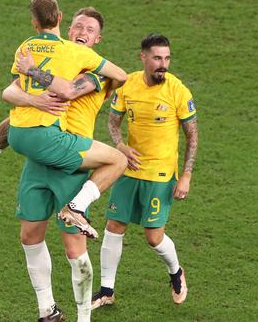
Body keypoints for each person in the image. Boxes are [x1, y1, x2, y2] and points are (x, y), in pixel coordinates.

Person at [0, 0, 127, 240]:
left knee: (74, 247)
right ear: (67, 27)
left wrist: (33, 71)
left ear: (97, 39)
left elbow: (70, 91)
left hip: (71, 153)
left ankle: (77, 208)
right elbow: (9, 92)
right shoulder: (58, 54)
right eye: (79, 26)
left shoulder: (97, 73)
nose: (83, 31)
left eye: (90, 29)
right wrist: (34, 99)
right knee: (29, 235)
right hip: (46, 143)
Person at [91, 34, 199, 309]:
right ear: (144, 57)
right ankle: (106, 290)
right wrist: (121, 146)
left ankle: (176, 272)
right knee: (114, 226)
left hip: (160, 175)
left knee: (153, 237)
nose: (163, 64)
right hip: (129, 171)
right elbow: (113, 121)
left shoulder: (177, 91)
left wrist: (186, 175)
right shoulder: (128, 85)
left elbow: (192, 136)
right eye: (157, 58)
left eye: (167, 58)